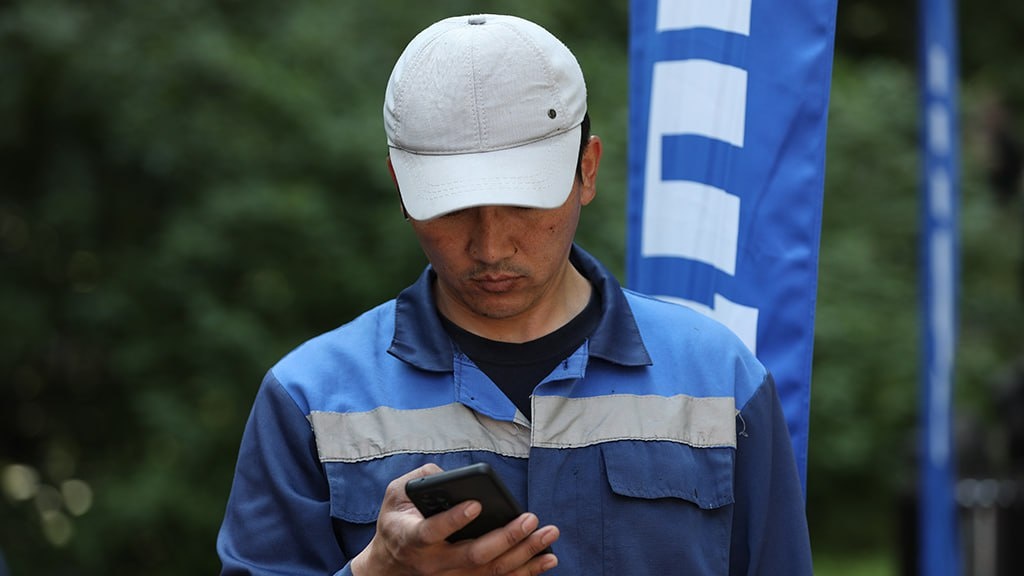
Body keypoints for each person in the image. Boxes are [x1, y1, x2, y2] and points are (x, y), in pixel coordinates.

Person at [216, 13, 812, 576]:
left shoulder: (721, 379)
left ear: (587, 169)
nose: (491, 245)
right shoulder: (310, 401)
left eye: (524, 202)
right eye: (452, 209)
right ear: (401, 187)